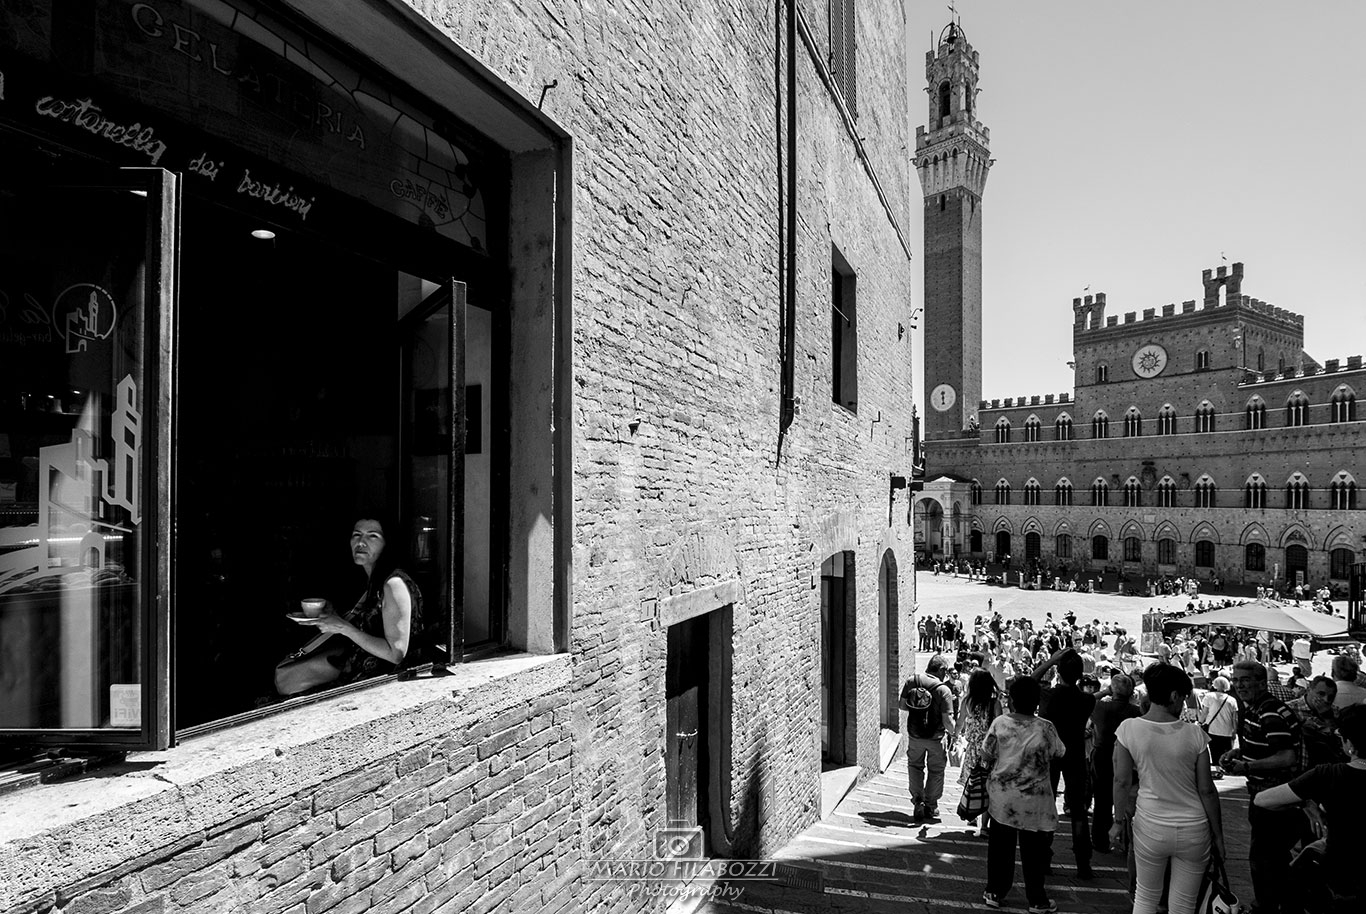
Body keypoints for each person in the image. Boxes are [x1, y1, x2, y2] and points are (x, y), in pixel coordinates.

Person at [1113, 663, 1226, 914]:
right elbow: (1207, 790)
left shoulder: (1128, 729)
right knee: (1183, 904)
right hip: (1194, 828)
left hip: (1150, 824)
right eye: (1184, 698)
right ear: (1174, 696)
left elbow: (1121, 781)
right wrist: (1218, 835)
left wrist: (1118, 821)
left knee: (1145, 896)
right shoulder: (1196, 735)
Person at [275, 518, 423, 696]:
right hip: (361, 671)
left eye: (373, 536)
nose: (361, 542)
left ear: (388, 543)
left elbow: (396, 653)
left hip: (384, 685)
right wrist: (333, 616)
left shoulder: (393, 584)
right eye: (356, 535)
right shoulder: (375, 580)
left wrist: (343, 627)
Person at [1252, 705, 1366, 914]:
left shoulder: (1329, 775)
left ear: (1350, 744)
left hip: (1339, 874)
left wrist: (1305, 802)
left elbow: (1263, 800)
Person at [1219, 660, 1304, 914]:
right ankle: (1282, 904)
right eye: (1235, 680)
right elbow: (1266, 744)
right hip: (1267, 795)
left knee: (1265, 859)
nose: (1239, 685)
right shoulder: (1257, 709)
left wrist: (1245, 768)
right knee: (1273, 858)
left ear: (1261, 682)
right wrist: (1239, 752)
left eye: (1244, 680)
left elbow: (1286, 756)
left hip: (1273, 797)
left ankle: (1267, 906)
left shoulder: (1269, 711)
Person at [980, 676, 1066, 914]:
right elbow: (1059, 752)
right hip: (1034, 802)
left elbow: (986, 754)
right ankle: (1037, 900)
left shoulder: (1000, 723)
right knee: (1034, 853)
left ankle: (995, 892)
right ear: (1037, 701)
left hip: (1003, 798)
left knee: (1000, 848)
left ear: (1012, 700)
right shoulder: (1046, 727)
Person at [1033, 648, 1096, 878]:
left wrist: (1051, 660)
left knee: (1047, 806)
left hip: (1050, 755)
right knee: (1078, 810)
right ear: (1080, 674)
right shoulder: (1087, 700)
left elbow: (1030, 681)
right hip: (1076, 755)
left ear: (1058, 671)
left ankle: (1043, 858)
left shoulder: (1049, 695)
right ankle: (1083, 863)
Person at [900, 654, 954, 821]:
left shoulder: (912, 681)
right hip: (935, 738)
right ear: (942, 669)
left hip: (915, 735)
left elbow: (902, 706)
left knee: (915, 766)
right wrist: (956, 733)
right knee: (936, 770)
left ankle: (917, 801)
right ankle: (931, 806)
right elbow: (947, 721)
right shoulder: (944, 690)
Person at [1091, 672, 1141, 851]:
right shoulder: (1136, 712)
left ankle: (1100, 840)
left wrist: (1105, 691)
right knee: (1129, 799)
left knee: (1102, 799)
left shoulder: (1100, 708)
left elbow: (1087, 700)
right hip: (1127, 756)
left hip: (1103, 754)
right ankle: (1127, 839)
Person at [955, 669, 1003, 837]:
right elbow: (999, 727)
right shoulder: (994, 703)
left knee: (972, 783)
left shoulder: (967, 701)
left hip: (972, 749)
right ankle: (984, 826)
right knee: (988, 788)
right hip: (989, 750)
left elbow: (960, 723)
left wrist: (955, 737)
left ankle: (971, 814)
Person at [1287, 676, 1347, 770]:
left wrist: (1328, 718)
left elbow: (1342, 744)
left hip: (1327, 768)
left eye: (1331, 697)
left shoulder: (1335, 712)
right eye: (1321, 694)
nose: (1326, 700)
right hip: (1299, 767)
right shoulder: (1290, 708)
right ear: (1309, 690)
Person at [1199, 676, 1239, 777]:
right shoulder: (1232, 700)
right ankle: (1225, 767)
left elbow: (1204, 712)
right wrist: (1235, 730)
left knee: (1214, 749)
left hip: (1213, 728)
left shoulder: (1209, 696)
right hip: (1227, 729)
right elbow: (1235, 717)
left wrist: (1200, 721)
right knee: (1226, 749)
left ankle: (1218, 770)